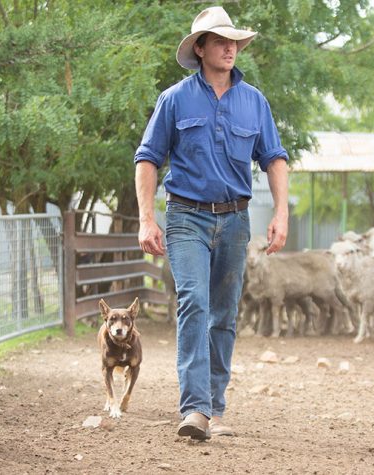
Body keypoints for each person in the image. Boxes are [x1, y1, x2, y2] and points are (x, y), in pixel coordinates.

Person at [133, 5, 289, 440]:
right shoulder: (175, 98)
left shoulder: (254, 101)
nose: (230, 47)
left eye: (234, 41)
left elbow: (274, 158)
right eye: (220, 41)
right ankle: (195, 409)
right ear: (199, 48)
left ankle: (215, 406)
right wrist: (148, 219)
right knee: (194, 304)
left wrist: (281, 213)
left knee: (223, 314)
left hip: (236, 221)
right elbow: (147, 159)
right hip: (185, 217)